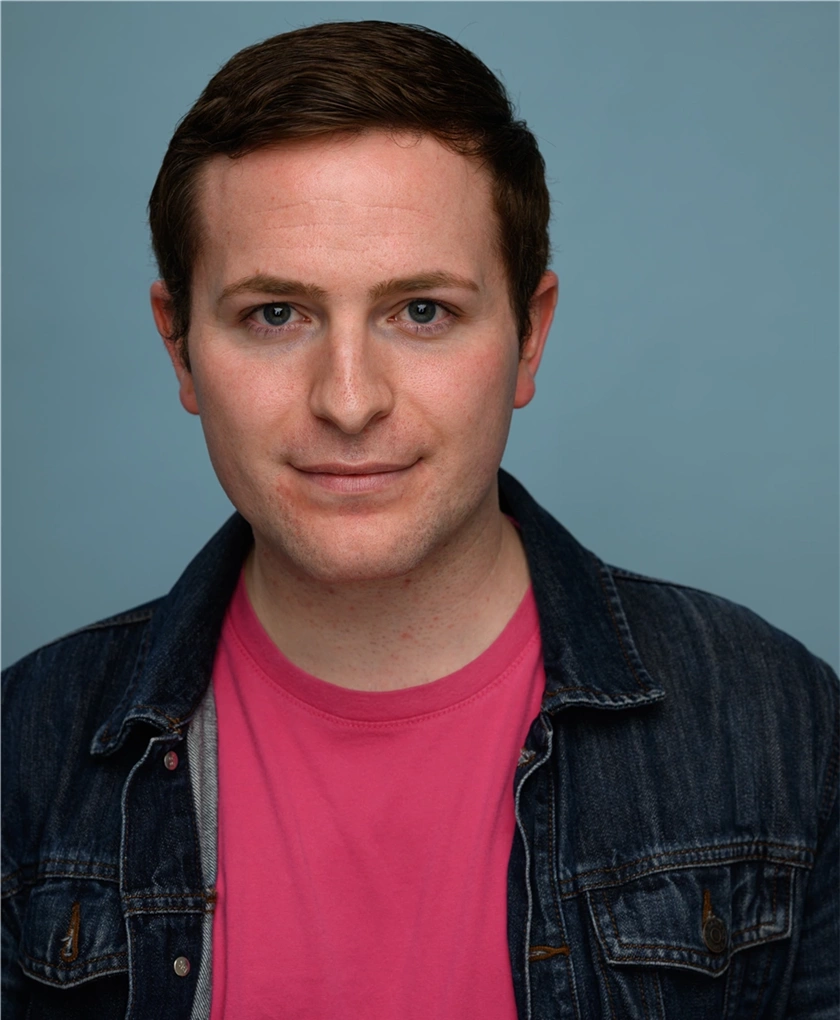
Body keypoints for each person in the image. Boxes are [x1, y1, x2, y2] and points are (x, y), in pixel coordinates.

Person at [2, 19, 836, 1020]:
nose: (350, 401)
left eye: (423, 311)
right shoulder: (24, 753)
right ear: (180, 348)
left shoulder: (780, 724)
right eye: (276, 315)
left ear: (530, 338)